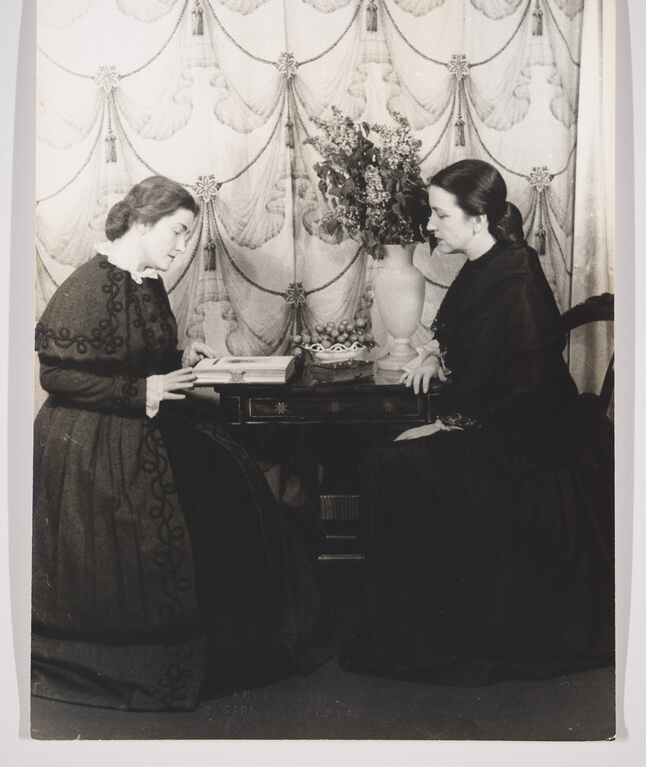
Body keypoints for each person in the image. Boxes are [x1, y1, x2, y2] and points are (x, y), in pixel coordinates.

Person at [31, 176, 325, 711]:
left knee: (242, 473)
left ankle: (245, 627)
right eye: (178, 232)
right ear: (142, 223)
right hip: (98, 444)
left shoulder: (147, 281)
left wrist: (181, 356)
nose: (182, 246)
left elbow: (147, 352)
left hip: (150, 423)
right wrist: (143, 389)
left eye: (188, 236)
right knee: (213, 492)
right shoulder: (86, 285)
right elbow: (57, 377)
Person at [341, 159, 614, 685]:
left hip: (527, 446)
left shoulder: (516, 280)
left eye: (441, 216)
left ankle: (428, 629)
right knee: (388, 458)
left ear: (478, 219)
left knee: (387, 464)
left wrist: (445, 426)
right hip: (500, 423)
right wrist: (434, 354)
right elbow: (470, 330)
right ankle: (420, 620)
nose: (430, 226)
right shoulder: (488, 261)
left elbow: (524, 395)